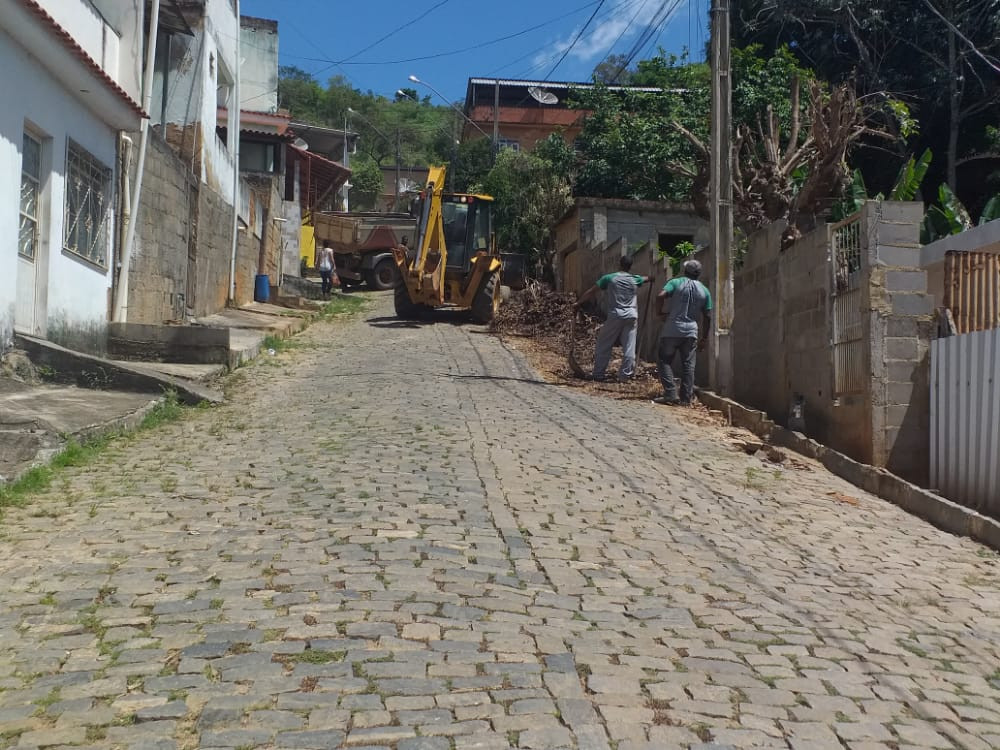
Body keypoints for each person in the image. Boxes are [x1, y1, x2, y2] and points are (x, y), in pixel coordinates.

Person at [574, 256, 650, 382]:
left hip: (616, 315)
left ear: (619, 264)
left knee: (604, 344)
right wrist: (651, 278)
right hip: (632, 315)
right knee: (629, 347)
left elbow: (592, 291)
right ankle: (625, 376)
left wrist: (578, 302)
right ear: (630, 266)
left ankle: (598, 374)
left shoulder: (609, 278)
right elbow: (645, 278)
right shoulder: (634, 279)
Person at [654, 259, 712, 406]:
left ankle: (670, 393)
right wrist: (704, 338)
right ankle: (685, 399)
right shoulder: (705, 291)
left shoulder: (676, 283)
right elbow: (708, 316)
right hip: (691, 332)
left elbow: (660, 296)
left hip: (672, 329)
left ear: (685, 271)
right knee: (688, 366)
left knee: (664, 361)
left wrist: (659, 313)